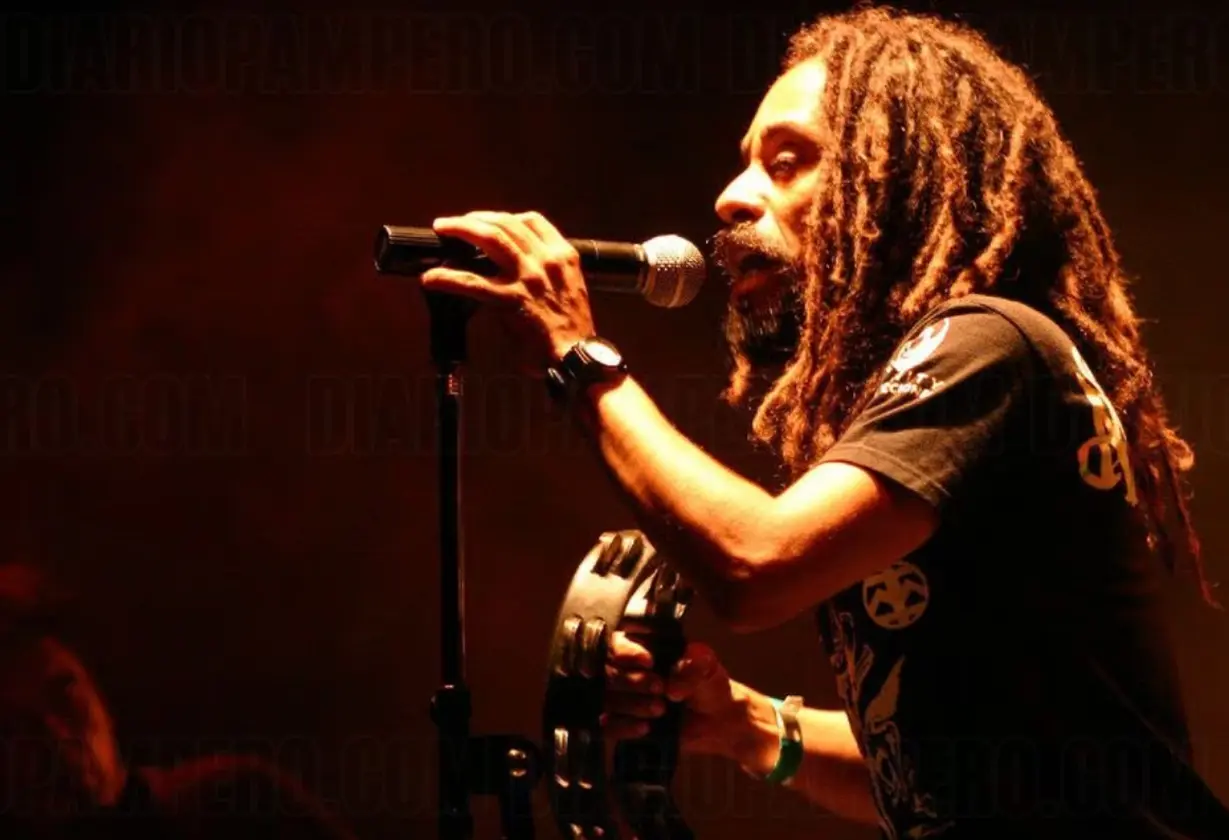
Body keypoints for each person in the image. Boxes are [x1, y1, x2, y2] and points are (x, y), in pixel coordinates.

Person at [417, 5, 1228, 838]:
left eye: (787, 162)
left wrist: (575, 354)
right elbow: (928, 776)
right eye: (745, 165)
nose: (732, 198)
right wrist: (747, 725)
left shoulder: (987, 342)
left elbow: (754, 565)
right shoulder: (966, 371)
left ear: (901, 179)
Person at [0, 562, 357, 839]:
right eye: (14, 728)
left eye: (65, 698)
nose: (54, 738)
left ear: (103, 700)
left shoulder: (234, 804)